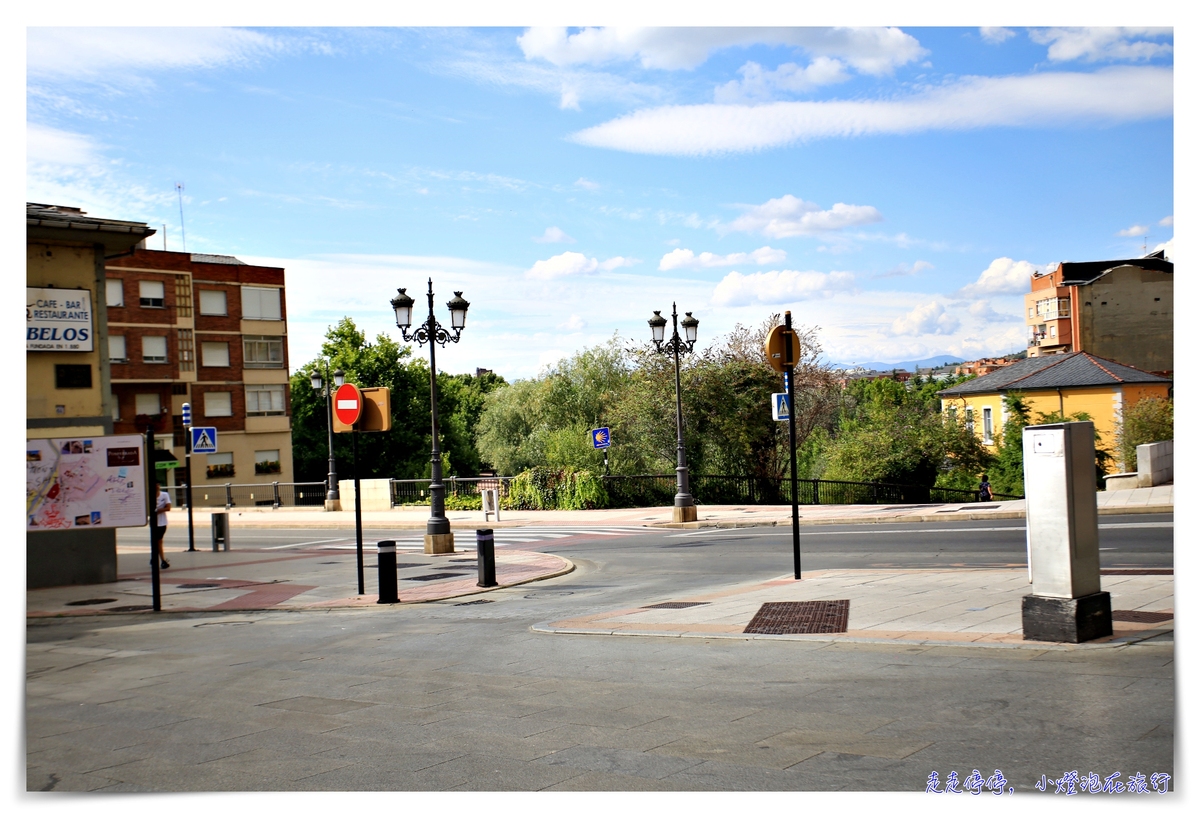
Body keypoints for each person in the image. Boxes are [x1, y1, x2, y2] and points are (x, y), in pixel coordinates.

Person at [152, 480, 171, 569]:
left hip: (162, 522)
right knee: (157, 541)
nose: (157, 486)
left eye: (158, 485)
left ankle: (156, 557)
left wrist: (159, 510)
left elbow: (168, 507)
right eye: (155, 485)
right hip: (154, 522)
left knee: (158, 541)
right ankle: (162, 560)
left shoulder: (165, 495)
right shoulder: (150, 496)